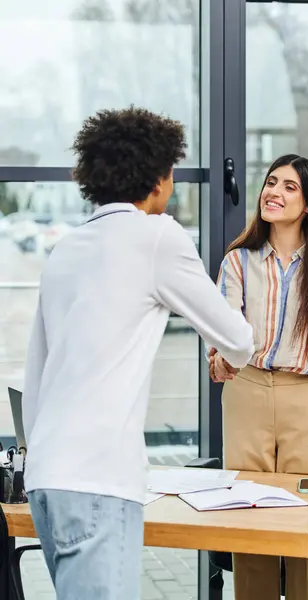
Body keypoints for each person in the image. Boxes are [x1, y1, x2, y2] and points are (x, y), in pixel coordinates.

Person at [22, 106, 254, 600]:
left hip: (46, 480)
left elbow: (36, 376)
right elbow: (238, 338)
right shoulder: (156, 237)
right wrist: (229, 354)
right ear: (158, 178)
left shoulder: (65, 249)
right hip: (99, 480)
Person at [209, 154, 308, 600]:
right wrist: (219, 361)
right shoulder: (238, 262)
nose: (272, 193)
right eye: (271, 182)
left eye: (289, 187)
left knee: (305, 522)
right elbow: (221, 342)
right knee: (249, 521)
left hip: (307, 398)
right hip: (246, 393)